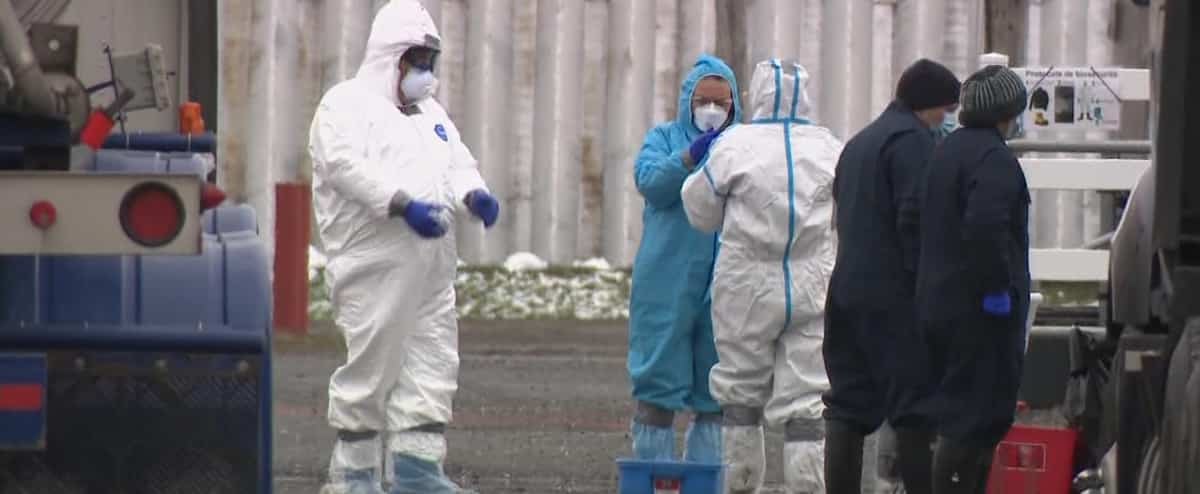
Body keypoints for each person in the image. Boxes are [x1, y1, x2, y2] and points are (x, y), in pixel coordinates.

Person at [308, 1, 498, 493]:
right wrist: (400, 205)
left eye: (431, 64)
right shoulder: (344, 105)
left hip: (433, 266)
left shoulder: (429, 113)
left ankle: (417, 472)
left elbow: (457, 161)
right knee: (374, 363)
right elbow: (344, 167)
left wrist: (472, 193)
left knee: (433, 361)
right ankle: (354, 476)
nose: (426, 75)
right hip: (374, 264)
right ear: (391, 58)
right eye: (418, 63)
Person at [681, 59, 841, 494]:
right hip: (812, 284)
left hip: (745, 287)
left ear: (757, 94)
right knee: (807, 400)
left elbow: (699, 209)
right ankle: (807, 487)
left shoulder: (735, 145)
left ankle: (740, 484)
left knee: (739, 394)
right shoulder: (828, 146)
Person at [822, 58, 961, 494]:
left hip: (845, 289)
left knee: (847, 406)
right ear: (929, 105)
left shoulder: (859, 144)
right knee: (913, 410)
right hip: (893, 297)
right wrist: (930, 287)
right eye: (946, 108)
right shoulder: (914, 143)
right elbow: (914, 219)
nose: (948, 117)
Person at [909, 65, 1030, 493]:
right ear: (1007, 111)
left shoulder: (946, 150)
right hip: (978, 313)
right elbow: (986, 225)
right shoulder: (994, 159)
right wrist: (997, 288)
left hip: (939, 303)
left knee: (957, 414)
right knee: (975, 419)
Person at [627, 53, 742, 464]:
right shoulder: (663, 139)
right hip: (665, 281)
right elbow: (650, 182)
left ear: (734, 106)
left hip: (725, 284)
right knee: (657, 384)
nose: (711, 110)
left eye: (721, 102)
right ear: (687, 101)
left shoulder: (742, 146)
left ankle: (704, 479)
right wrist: (690, 157)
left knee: (715, 392)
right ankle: (652, 475)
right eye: (703, 100)